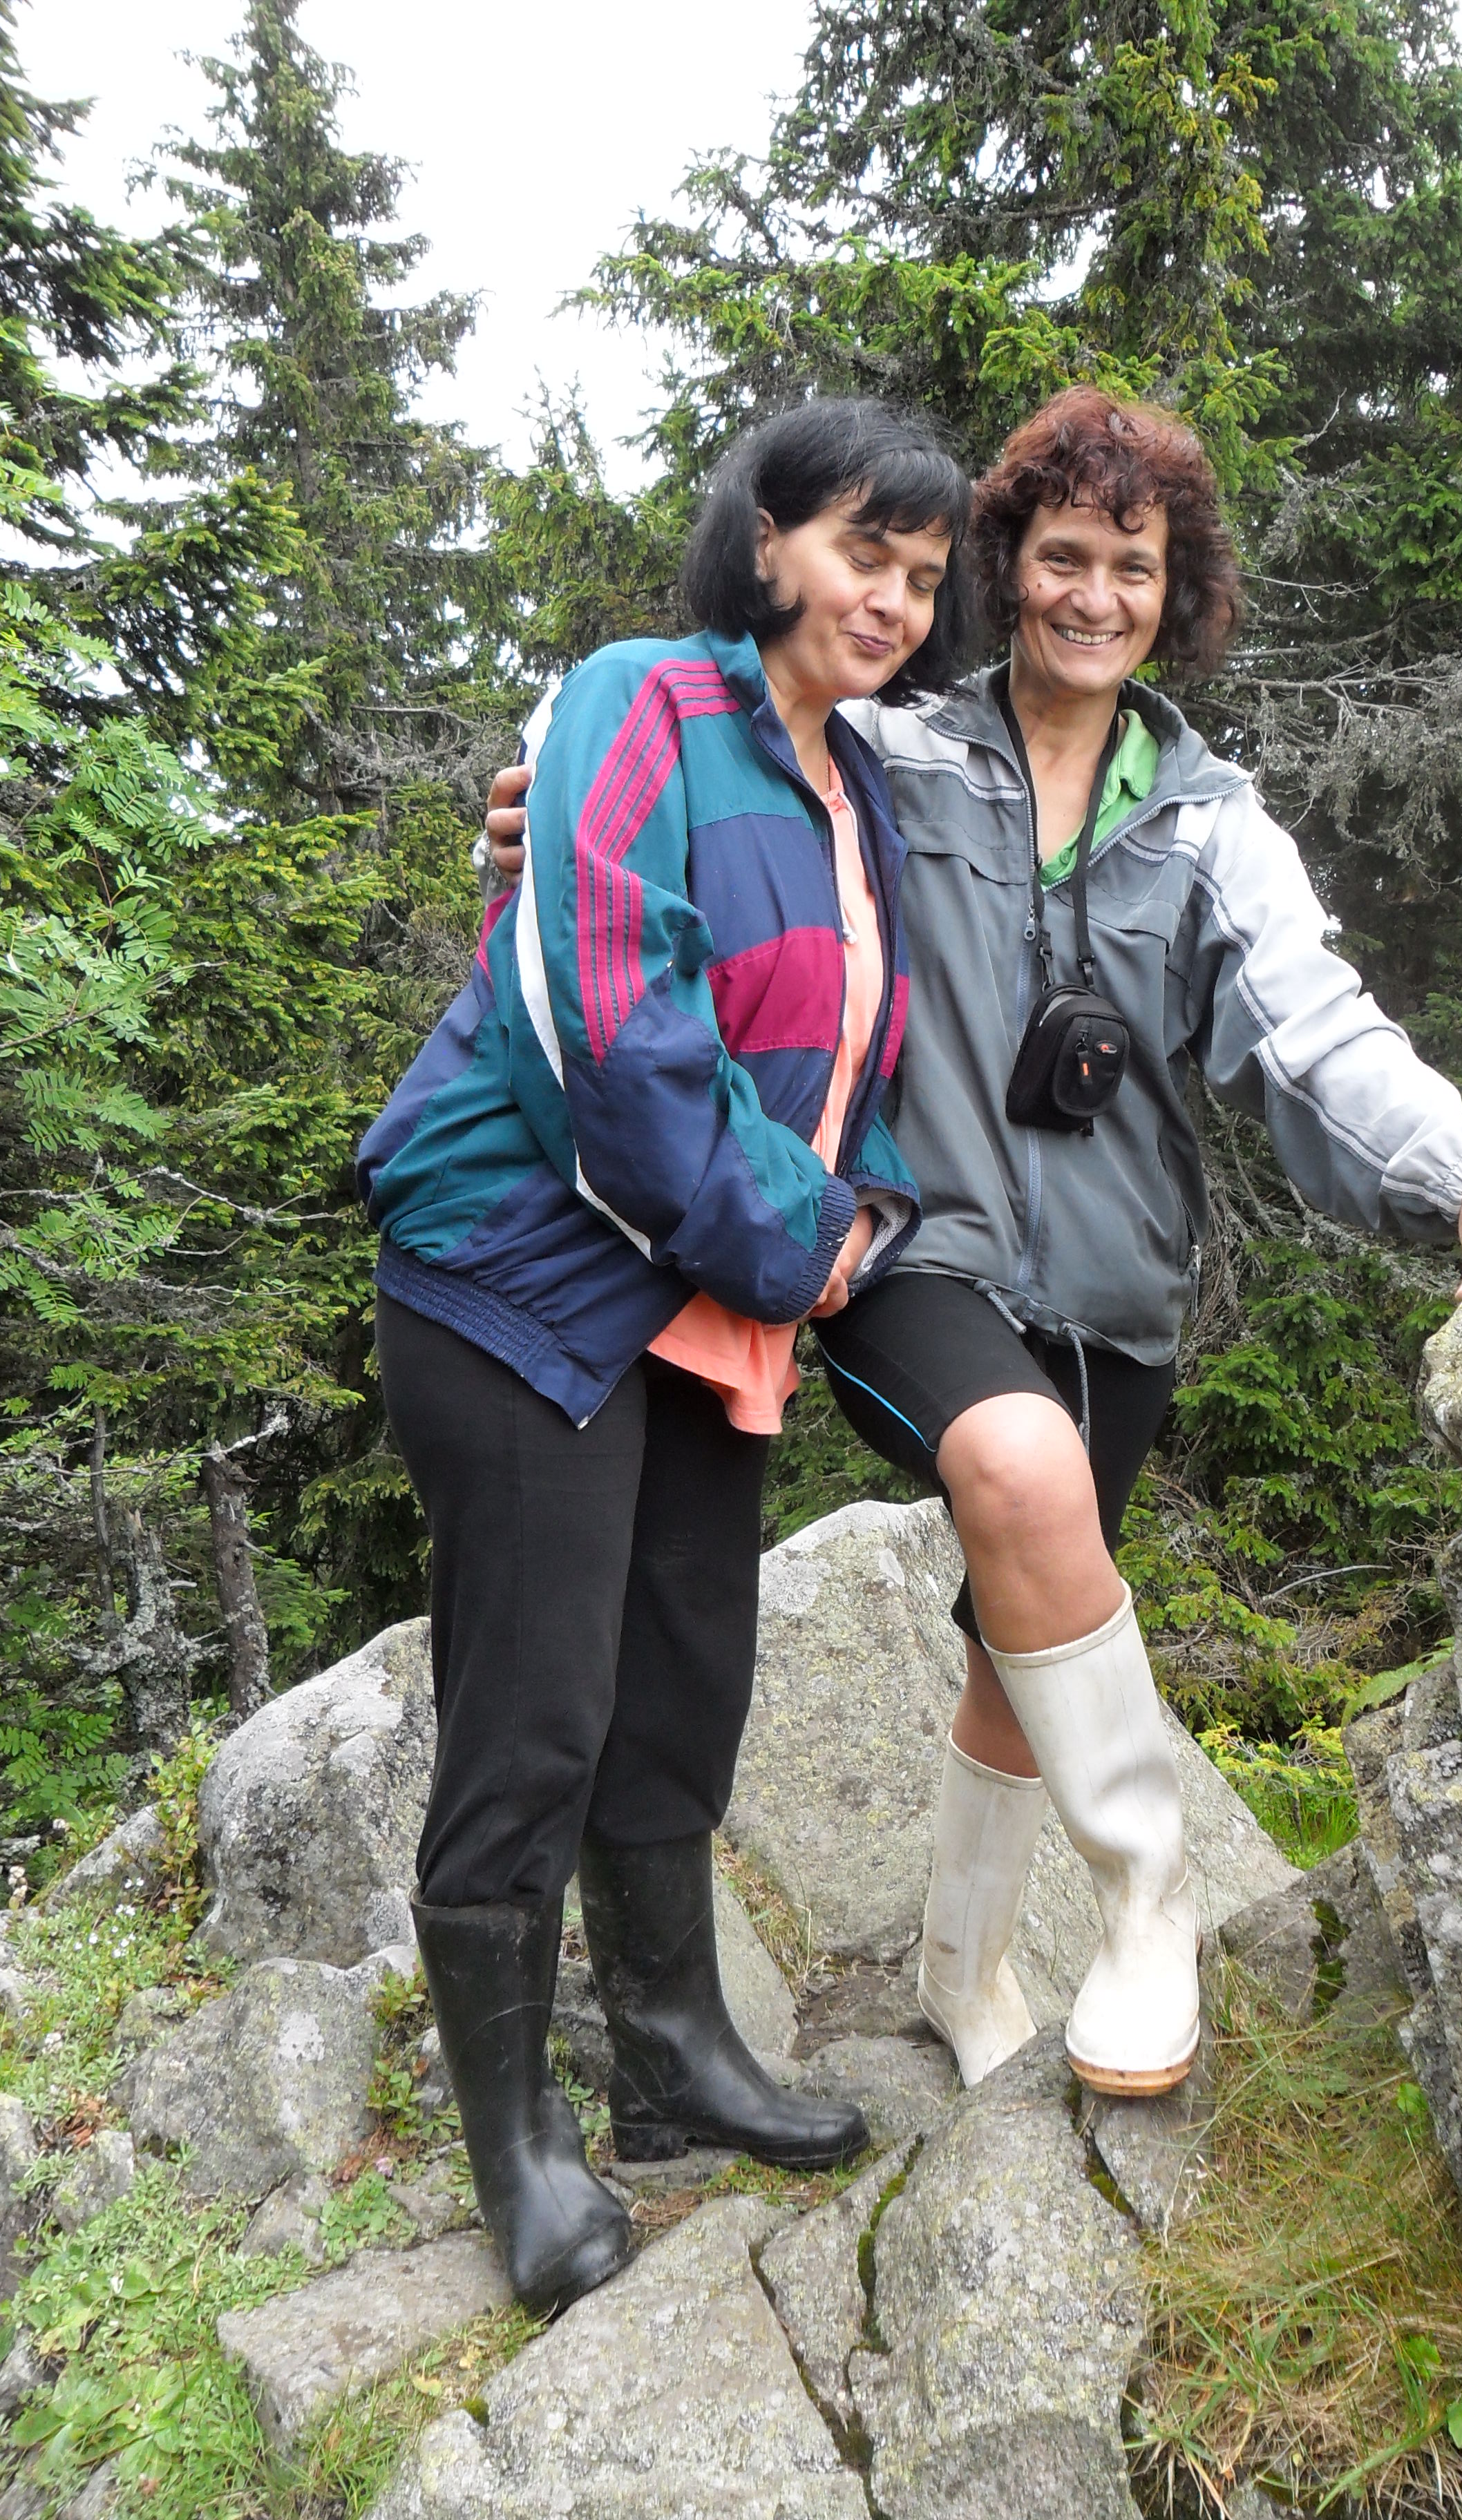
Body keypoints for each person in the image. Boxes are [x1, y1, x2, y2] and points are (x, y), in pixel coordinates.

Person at [481, 386, 1462, 2106]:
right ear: (1007, 570)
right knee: (1019, 1475)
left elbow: (1318, 1030)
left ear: (1179, 595)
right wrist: (539, 816)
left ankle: (960, 1968)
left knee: (1017, 1640)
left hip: (1122, 1293)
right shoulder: (891, 755)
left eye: (1136, 567)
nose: (1097, 596)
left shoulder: (1211, 821)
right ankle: (1147, 1892)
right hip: (915, 1254)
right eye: (1066, 556)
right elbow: (697, 772)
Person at [359, 397, 971, 2314]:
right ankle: (514, 2138)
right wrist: (819, 1239)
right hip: (520, 1278)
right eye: (865, 552)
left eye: (923, 576)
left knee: (683, 1679)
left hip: (706, 1309)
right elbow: (617, 1044)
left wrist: (863, 1205)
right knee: (535, 1709)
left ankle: (674, 2058)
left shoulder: (855, 789)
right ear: (767, 539)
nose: (894, 601)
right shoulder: (642, 702)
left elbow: (848, 1056)